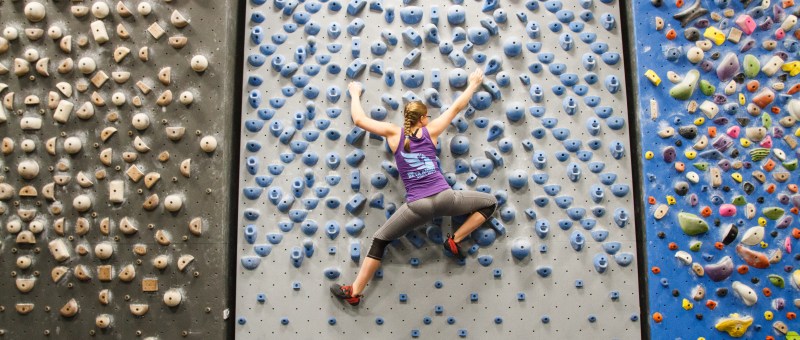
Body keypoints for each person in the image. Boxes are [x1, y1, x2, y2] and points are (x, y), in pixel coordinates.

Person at [331, 69, 498, 306]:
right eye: (427, 116)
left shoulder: (392, 132)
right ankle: (456, 239)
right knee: (490, 202)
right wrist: (472, 84)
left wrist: (355, 93)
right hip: (445, 198)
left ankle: (355, 292)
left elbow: (359, 120)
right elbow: (456, 108)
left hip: (417, 206)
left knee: (380, 240)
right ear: (422, 119)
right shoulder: (432, 132)